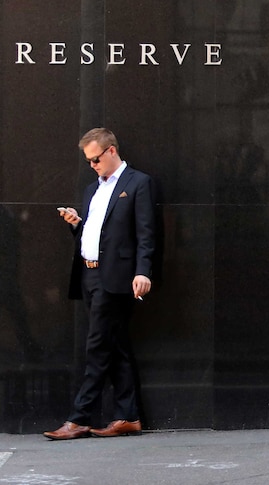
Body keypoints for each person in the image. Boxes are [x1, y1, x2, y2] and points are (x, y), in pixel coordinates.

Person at [44, 128, 156, 440]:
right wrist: (77, 225)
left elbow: (146, 234)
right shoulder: (93, 188)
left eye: (95, 159)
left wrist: (143, 271)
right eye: (88, 161)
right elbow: (98, 232)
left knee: (97, 347)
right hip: (89, 274)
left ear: (110, 151)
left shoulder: (138, 183)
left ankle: (79, 418)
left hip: (115, 278)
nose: (92, 165)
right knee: (115, 345)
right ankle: (128, 416)